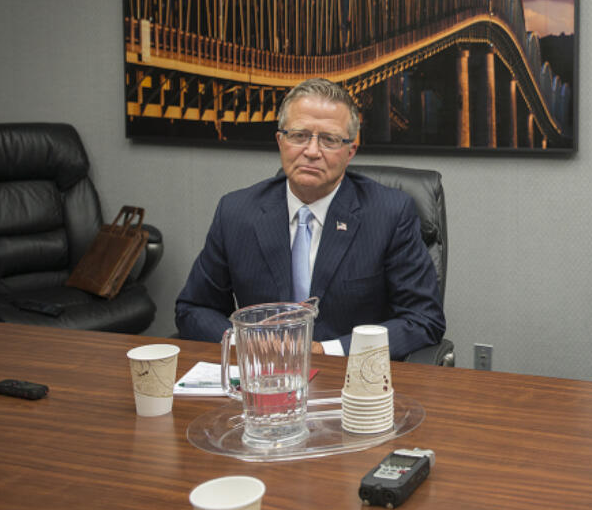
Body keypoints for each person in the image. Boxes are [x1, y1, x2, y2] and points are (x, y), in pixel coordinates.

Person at [176, 79, 446, 359]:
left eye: (329, 140)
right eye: (299, 135)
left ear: (350, 151)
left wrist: (325, 350)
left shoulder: (389, 213)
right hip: (262, 378)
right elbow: (193, 309)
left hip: (351, 380)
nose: (312, 151)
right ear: (281, 141)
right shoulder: (236, 212)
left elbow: (424, 320)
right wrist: (245, 343)